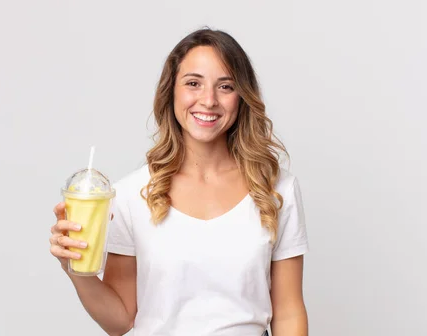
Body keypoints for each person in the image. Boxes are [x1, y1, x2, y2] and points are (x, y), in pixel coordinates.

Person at [49, 28, 309, 336]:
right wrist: (75, 269)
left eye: (225, 86)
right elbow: (120, 321)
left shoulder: (277, 190)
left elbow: (290, 313)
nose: (209, 100)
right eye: (193, 83)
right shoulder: (133, 194)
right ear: (172, 91)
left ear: (242, 97)